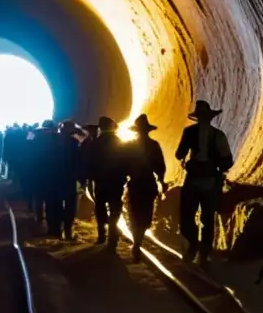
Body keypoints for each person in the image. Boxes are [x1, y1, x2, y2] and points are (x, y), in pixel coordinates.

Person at [175, 99, 233, 264]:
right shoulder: (219, 135)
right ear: (210, 117)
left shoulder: (189, 132)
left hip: (192, 180)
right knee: (208, 218)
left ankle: (192, 245)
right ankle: (204, 253)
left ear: (197, 117)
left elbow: (179, 154)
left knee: (187, 215)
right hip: (210, 182)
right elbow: (227, 161)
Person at [124, 114, 166, 262]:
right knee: (145, 214)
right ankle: (138, 241)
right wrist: (161, 180)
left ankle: (136, 241)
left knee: (134, 213)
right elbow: (160, 166)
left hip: (135, 184)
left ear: (136, 131)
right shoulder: (154, 145)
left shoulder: (129, 146)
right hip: (148, 184)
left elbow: (123, 165)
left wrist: (124, 177)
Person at [89, 116, 126, 246]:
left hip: (100, 181)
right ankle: (113, 233)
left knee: (100, 206)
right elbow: (125, 161)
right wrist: (124, 176)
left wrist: (90, 178)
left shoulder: (95, 143)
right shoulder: (119, 142)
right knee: (115, 207)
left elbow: (90, 162)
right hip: (116, 181)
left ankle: (101, 235)